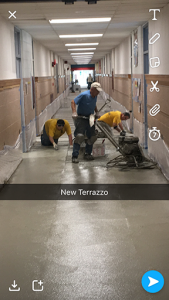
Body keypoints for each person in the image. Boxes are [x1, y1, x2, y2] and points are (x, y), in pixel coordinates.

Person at [71, 82, 102, 163]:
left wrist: (97, 112)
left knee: (92, 137)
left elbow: (94, 104)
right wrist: (74, 112)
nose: (98, 93)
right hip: (81, 118)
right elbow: (73, 102)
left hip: (90, 118)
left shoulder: (95, 96)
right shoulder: (84, 95)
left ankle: (88, 153)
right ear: (92, 89)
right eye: (97, 91)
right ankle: (75, 155)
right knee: (79, 136)